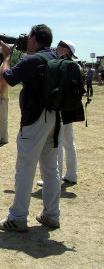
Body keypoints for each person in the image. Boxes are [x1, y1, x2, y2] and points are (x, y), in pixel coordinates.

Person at [0, 24, 61, 231]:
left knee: (25, 168)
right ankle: (52, 214)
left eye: (29, 36)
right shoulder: (54, 58)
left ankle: (18, 217)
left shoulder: (32, 60)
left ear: (35, 39)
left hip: (34, 119)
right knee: (51, 170)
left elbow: (9, 77)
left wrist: (7, 56)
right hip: (53, 117)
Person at [37, 40, 83, 187]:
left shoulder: (61, 66)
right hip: (71, 108)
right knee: (69, 143)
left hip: (61, 108)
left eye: (58, 47)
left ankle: (53, 177)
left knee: (57, 142)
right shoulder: (75, 66)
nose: (55, 49)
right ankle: (72, 174)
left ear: (64, 50)